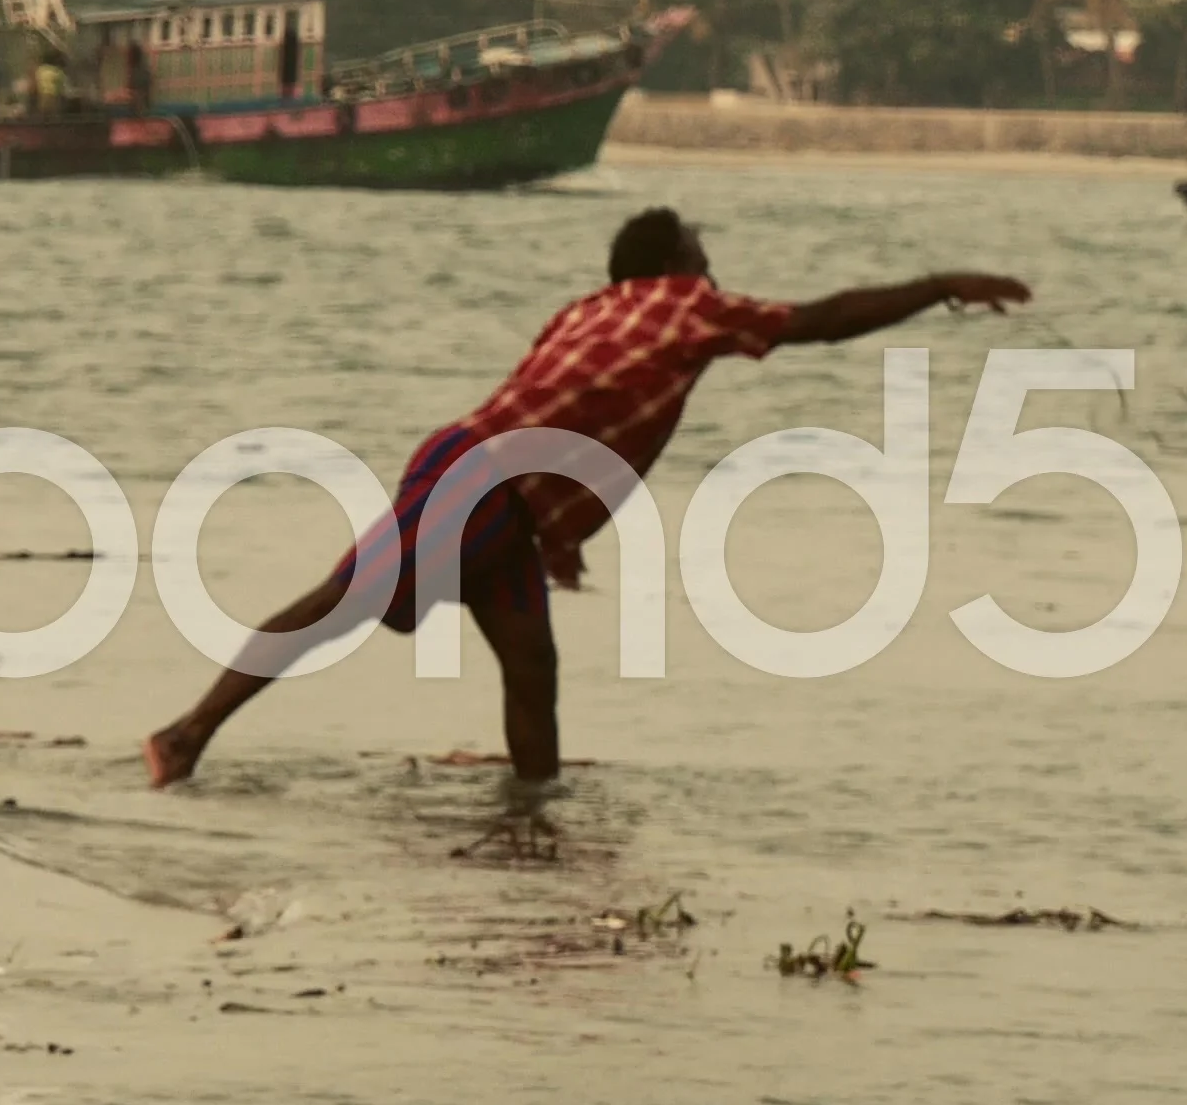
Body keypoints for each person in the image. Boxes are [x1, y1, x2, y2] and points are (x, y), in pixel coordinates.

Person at [143, 208, 1030, 788]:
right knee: (343, 599)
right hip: (488, 476)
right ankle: (185, 734)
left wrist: (559, 535)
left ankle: (534, 812)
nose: (713, 272)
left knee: (532, 666)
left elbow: (568, 405)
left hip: (494, 479)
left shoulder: (586, 309)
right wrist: (938, 285)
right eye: (702, 256)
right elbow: (821, 322)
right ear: (675, 264)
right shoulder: (685, 305)